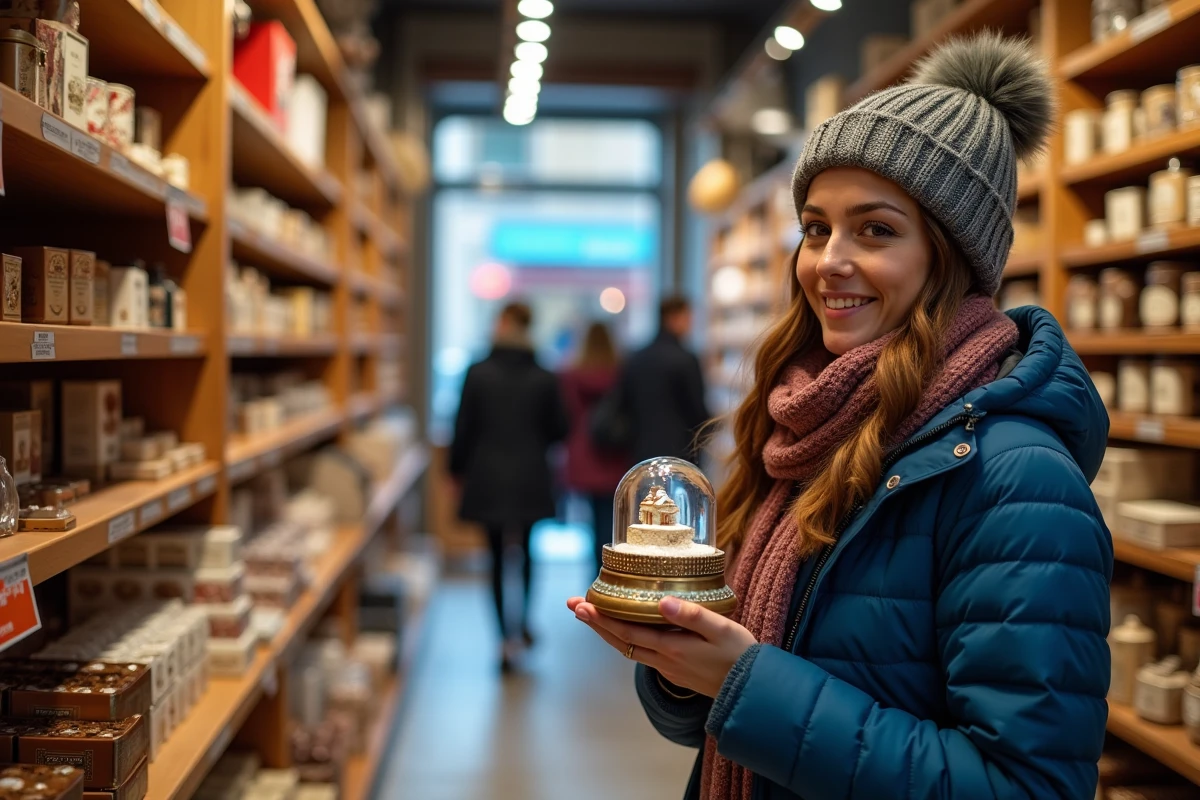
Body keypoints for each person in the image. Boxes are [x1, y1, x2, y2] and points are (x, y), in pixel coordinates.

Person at [569, 33, 1111, 799]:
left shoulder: (1017, 477)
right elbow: (730, 716)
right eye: (817, 227)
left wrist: (746, 683)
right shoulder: (806, 429)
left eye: (876, 229)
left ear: (949, 256)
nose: (828, 260)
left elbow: (1030, 787)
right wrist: (683, 667)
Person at [451, 301, 568, 672]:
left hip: (487, 475)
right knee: (530, 552)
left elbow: (462, 429)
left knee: (496, 556)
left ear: (502, 325)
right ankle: (523, 625)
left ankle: (504, 638)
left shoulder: (477, 372)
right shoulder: (544, 375)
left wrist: (454, 471)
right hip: (531, 474)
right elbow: (559, 430)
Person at [560, 322, 630, 571]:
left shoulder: (570, 375)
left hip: (584, 455)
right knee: (613, 522)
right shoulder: (622, 373)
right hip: (615, 457)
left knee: (592, 522)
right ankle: (610, 572)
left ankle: (595, 573)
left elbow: (565, 418)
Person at [621, 295, 709, 465]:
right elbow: (696, 412)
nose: (690, 324)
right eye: (687, 317)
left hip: (639, 449)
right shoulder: (686, 359)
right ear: (673, 318)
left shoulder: (636, 357)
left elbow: (625, 403)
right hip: (680, 451)